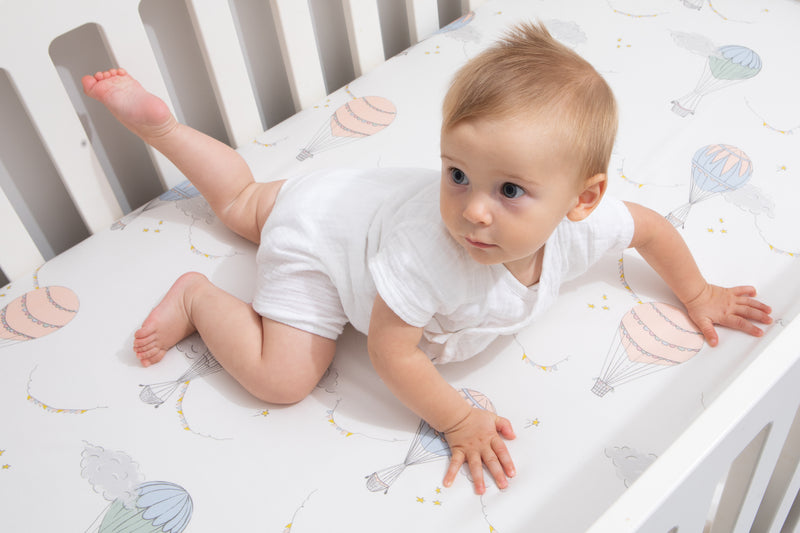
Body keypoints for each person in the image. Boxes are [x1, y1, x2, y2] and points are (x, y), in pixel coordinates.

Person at [82, 22, 772, 496]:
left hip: (353, 197)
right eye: (456, 172)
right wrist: (459, 419)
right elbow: (391, 351)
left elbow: (649, 227)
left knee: (241, 201)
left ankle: (166, 128)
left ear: (582, 200)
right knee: (285, 375)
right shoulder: (432, 257)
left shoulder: (583, 229)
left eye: (509, 190)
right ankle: (200, 296)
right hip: (327, 243)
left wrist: (700, 290)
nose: (473, 209)